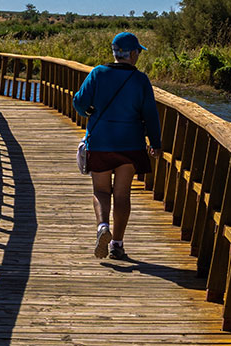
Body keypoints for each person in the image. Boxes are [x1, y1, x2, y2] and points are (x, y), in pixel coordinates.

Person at [73, 31, 162, 260]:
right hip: (130, 145)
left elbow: (79, 103)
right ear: (132, 54)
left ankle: (102, 226)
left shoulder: (98, 73)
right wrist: (155, 143)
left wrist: (89, 111)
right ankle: (117, 244)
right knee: (122, 194)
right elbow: (150, 115)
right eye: (138, 52)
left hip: (100, 143)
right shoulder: (141, 80)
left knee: (101, 191)